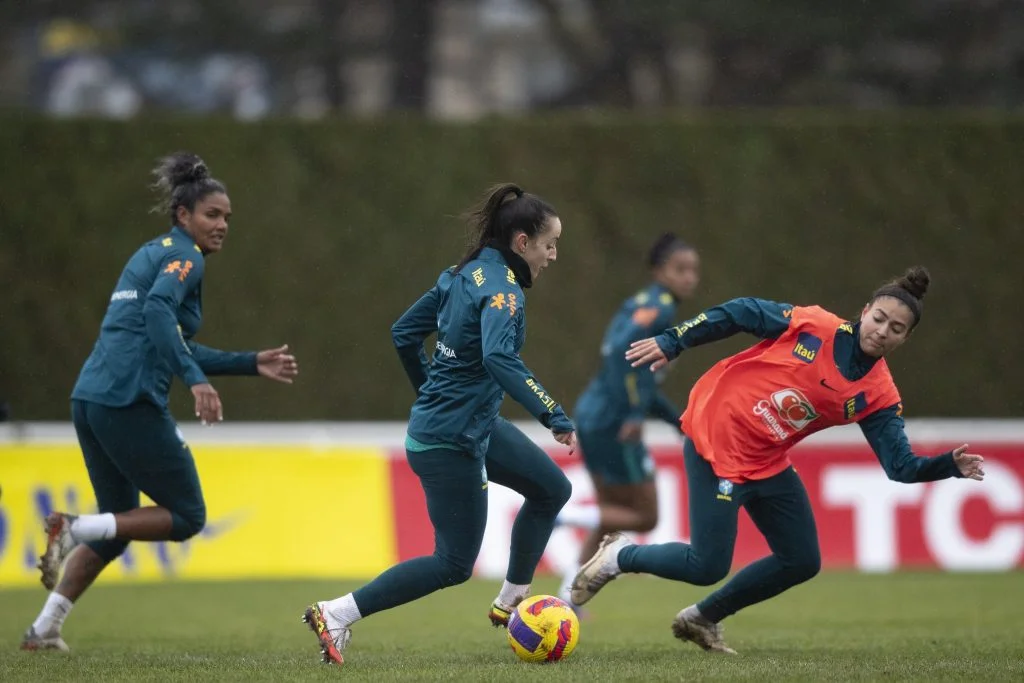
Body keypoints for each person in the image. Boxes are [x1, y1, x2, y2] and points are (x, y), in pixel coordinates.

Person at [570, 267, 985, 654]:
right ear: (865, 311)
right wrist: (674, 339)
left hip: (766, 459)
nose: (882, 331)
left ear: (904, 339)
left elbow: (900, 467)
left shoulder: (878, 395)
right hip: (717, 434)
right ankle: (618, 557)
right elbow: (741, 311)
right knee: (706, 564)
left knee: (802, 560)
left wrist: (948, 465)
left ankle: (702, 618)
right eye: (879, 318)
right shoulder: (816, 326)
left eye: (896, 329)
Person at [21, 152, 299, 652]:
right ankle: (73, 527)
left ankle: (44, 629)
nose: (222, 225)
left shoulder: (149, 254)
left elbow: (165, 335)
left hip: (90, 398)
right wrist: (196, 382)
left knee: (118, 525)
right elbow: (157, 313)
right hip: (129, 401)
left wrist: (248, 362)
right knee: (188, 515)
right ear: (183, 215)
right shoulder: (186, 258)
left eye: (227, 218)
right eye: (212, 215)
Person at [302, 183, 576, 666]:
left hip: (466, 426)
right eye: (550, 244)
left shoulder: (461, 274)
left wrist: (430, 391)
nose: (553, 256)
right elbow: (499, 358)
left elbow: (404, 333)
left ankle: (512, 596)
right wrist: (553, 414)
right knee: (452, 564)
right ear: (521, 243)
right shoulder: (503, 293)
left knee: (551, 489)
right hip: (450, 441)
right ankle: (336, 612)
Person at [555, 233, 700, 611]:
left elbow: (619, 357)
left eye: (693, 271)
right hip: (615, 420)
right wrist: (641, 414)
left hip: (594, 414)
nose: (689, 278)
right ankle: (563, 514)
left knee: (609, 518)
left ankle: (567, 596)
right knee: (646, 515)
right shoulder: (660, 308)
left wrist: (673, 421)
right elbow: (625, 357)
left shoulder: (638, 303)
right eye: (680, 269)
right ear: (659, 271)